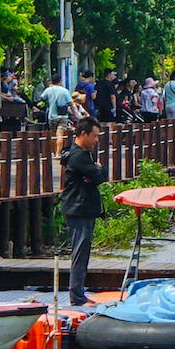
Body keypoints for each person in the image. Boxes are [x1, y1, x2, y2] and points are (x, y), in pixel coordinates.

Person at [58, 121, 107, 307]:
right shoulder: (79, 156)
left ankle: (79, 293)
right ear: (83, 134)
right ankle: (77, 297)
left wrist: (96, 171)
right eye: (94, 136)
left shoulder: (81, 154)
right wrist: (97, 169)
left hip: (83, 208)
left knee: (83, 252)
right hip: (79, 209)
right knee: (80, 253)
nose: (96, 140)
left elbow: (97, 176)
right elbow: (99, 176)